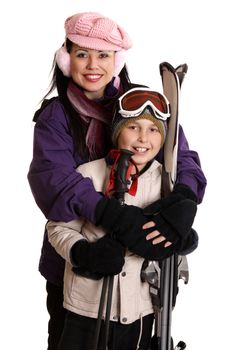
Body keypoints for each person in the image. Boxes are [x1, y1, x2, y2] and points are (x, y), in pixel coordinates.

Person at [27, 11, 207, 350]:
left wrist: (184, 199)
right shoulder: (56, 116)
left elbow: (178, 156)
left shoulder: (140, 104)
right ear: (67, 59)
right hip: (81, 269)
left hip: (140, 278)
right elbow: (54, 181)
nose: (93, 64)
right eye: (82, 53)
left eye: (104, 55)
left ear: (117, 59)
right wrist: (115, 218)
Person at [47, 87, 199, 350]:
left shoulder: (168, 184)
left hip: (141, 310)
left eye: (153, 130)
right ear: (118, 131)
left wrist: (183, 238)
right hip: (88, 309)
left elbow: (174, 231)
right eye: (133, 128)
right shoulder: (88, 174)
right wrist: (83, 252)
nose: (143, 138)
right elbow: (58, 228)